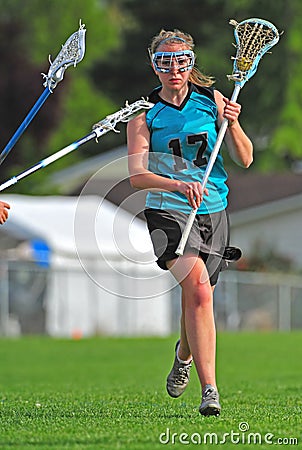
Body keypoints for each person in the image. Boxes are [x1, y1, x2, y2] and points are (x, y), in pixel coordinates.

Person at [127, 29, 253, 417]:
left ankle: (183, 354)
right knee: (198, 290)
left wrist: (231, 124)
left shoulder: (213, 102)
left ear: (191, 63)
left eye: (181, 60)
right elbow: (136, 175)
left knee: (198, 295)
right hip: (166, 210)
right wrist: (178, 184)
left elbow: (245, 158)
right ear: (154, 65)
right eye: (164, 62)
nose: (173, 69)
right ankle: (210, 390)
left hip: (212, 210)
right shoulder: (144, 114)